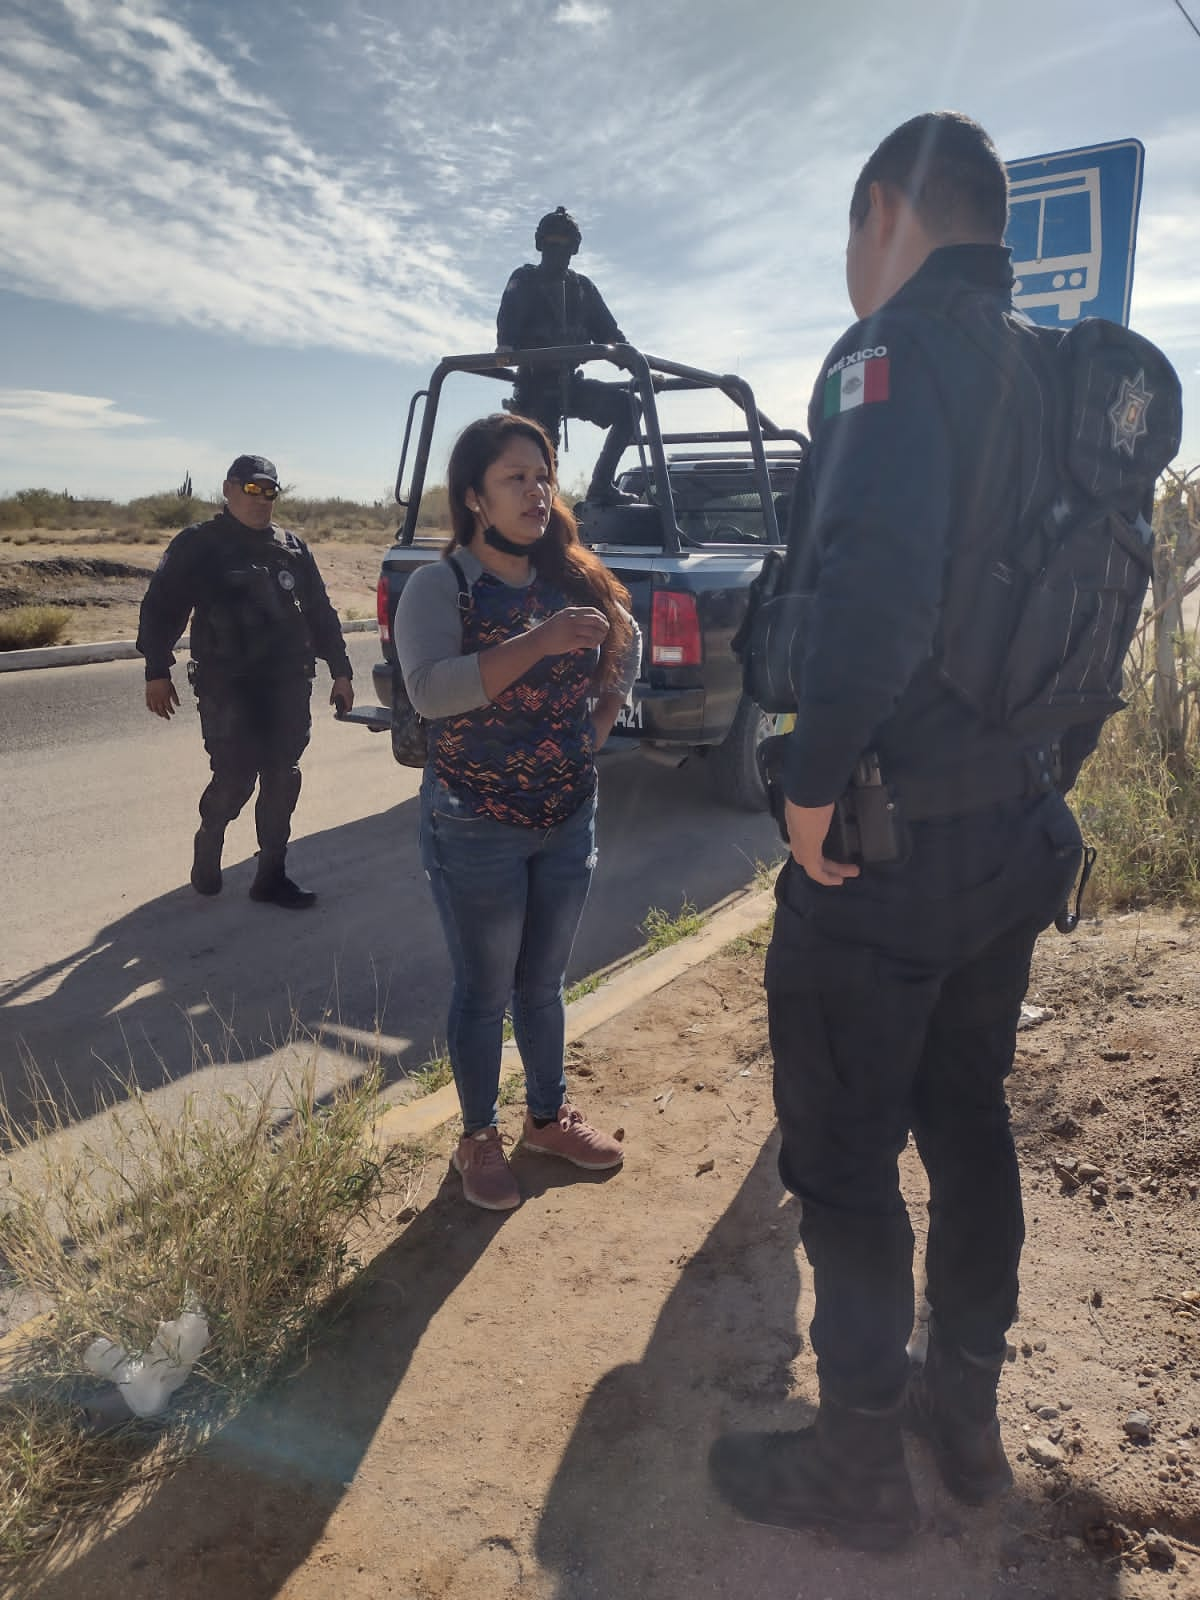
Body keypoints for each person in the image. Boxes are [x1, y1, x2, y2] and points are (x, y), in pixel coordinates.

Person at [708, 113, 1092, 1549]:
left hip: (886, 853)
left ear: (884, 211)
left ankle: (860, 1468)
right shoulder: (1051, 369)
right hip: (1012, 835)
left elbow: (871, 598)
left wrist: (810, 792)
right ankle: (964, 1420)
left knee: (846, 1162)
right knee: (968, 1117)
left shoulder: (886, 357)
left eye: (848, 228)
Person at [395, 413, 641, 1211]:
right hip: (476, 820)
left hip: (568, 816)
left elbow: (622, 639)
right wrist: (539, 642)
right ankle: (476, 1135)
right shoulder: (443, 586)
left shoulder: (572, 575)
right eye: (515, 478)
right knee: (484, 988)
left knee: (543, 983)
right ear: (474, 497)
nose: (536, 492)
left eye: (544, 476)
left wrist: (601, 721)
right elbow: (432, 692)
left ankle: (545, 1116)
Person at [136, 454, 354, 910]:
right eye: (252, 489)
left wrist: (341, 670)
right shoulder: (199, 545)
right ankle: (211, 833)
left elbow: (320, 613)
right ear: (229, 489)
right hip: (226, 681)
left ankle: (271, 876)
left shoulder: (292, 547)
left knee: (282, 777)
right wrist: (157, 669)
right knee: (235, 778)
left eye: (270, 490)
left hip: (286, 682)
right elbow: (162, 608)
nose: (261, 500)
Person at [496, 206, 637, 508]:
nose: (558, 250)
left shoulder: (582, 289)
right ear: (540, 244)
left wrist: (640, 370)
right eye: (552, 243)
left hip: (570, 385)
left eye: (565, 244)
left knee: (628, 406)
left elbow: (611, 337)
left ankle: (601, 487)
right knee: (543, 462)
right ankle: (538, 522)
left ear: (575, 248)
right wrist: (511, 350)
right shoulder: (523, 282)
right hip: (533, 389)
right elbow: (505, 341)